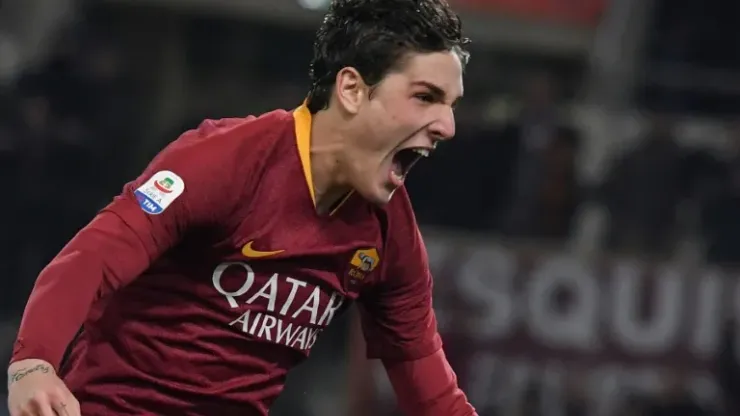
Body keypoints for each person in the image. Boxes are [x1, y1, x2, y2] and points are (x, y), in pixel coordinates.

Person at [6, 0, 477, 415]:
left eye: (451, 105)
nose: (447, 126)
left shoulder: (388, 229)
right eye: (425, 97)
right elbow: (92, 259)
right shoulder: (225, 161)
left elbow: (422, 372)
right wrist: (33, 364)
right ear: (352, 89)